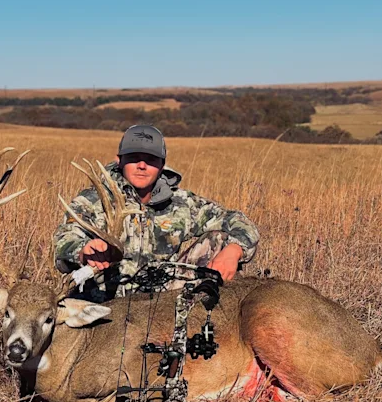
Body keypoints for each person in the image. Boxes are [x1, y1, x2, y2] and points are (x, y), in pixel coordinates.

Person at [53, 124, 259, 300]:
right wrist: (83, 251)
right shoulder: (93, 200)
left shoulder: (181, 204)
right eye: (134, 158)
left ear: (162, 165)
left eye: (150, 160)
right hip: (104, 303)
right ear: (119, 160)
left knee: (219, 237)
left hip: (161, 302)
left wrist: (234, 251)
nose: (142, 166)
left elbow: (239, 222)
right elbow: (65, 239)